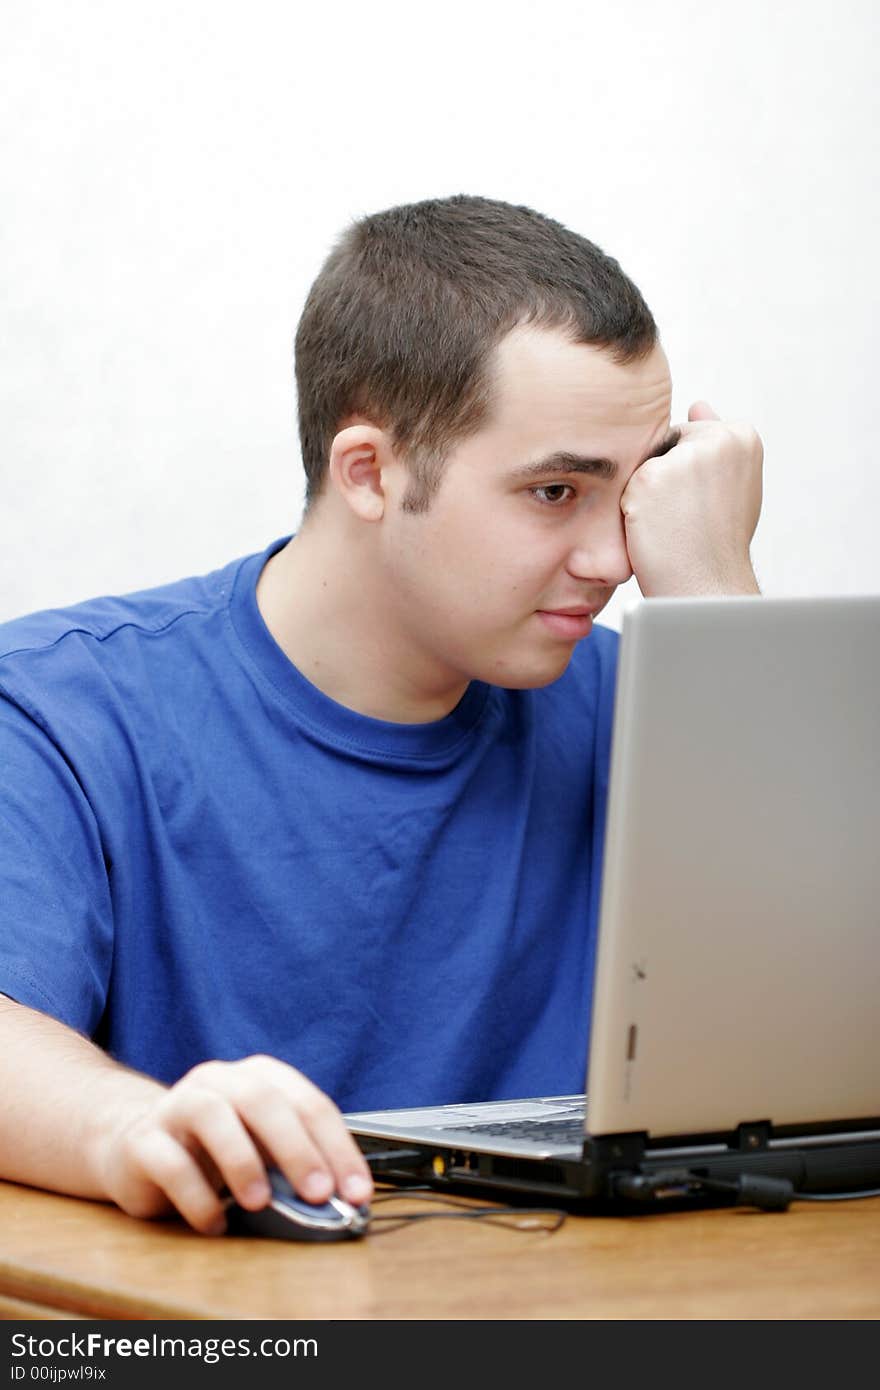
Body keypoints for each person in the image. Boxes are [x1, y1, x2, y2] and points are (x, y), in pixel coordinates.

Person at [0, 194, 762, 1235]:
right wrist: (129, 1124)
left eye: (632, 495)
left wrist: (716, 600)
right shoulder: (59, 710)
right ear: (368, 472)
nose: (613, 560)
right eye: (553, 493)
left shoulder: (663, 711)